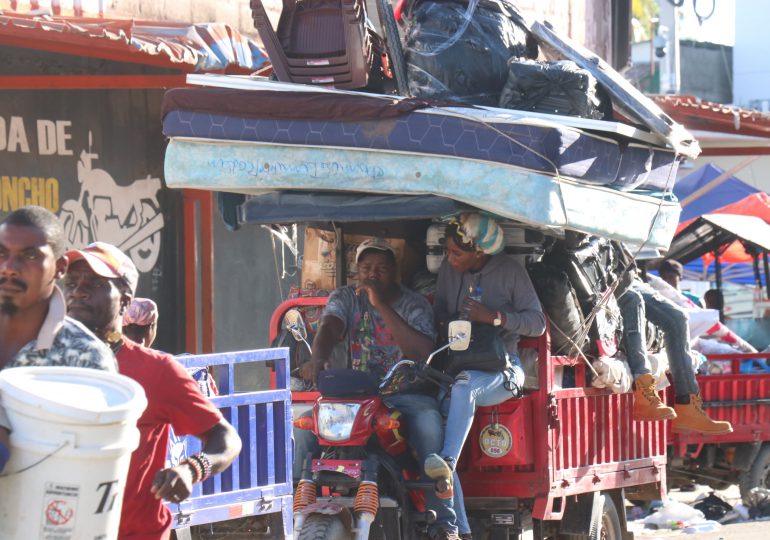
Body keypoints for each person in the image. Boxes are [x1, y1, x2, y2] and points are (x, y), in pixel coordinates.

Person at [63, 242, 242, 540]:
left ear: (124, 300)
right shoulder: (44, 364)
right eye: (71, 283)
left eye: (94, 284)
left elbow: (227, 439)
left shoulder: (157, 370)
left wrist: (191, 469)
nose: (78, 291)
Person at [298, 238, 459, 540]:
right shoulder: (345, 297)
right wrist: (317, 360)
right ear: (357, 270)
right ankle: (295, 507)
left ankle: (444, 522)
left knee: (428, 427)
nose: (372, 275)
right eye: (366, 268)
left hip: (404, 394)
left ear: (395, 272)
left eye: (381, 269)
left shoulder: (414, 304)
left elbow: (421, 350)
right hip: (352, 398)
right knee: (305, 431)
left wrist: (379, 304)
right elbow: (330, 326)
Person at [427, 214, 546, 539]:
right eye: (448, 252)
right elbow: (438, 313)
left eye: (456, 253)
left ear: (479, 252)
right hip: (457, 368)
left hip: (504, 370)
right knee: (434, 439)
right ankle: (462, 530)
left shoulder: (510, 272)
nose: (450, 260)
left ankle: (447, 465)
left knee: (464, 390)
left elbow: (537, 323)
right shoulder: (450, 273)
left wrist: (494, 318)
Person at [0, 206, 115, 473]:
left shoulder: (84, 357)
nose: (9, 268)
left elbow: (94, 466)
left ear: (60, 267)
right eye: (1, 253)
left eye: (29, 255)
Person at [617, 264, 732, 434]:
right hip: (603, 273)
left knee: (678, 318)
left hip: (623, 269)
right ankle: (643, 391)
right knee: (632, 300)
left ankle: (688, 404)